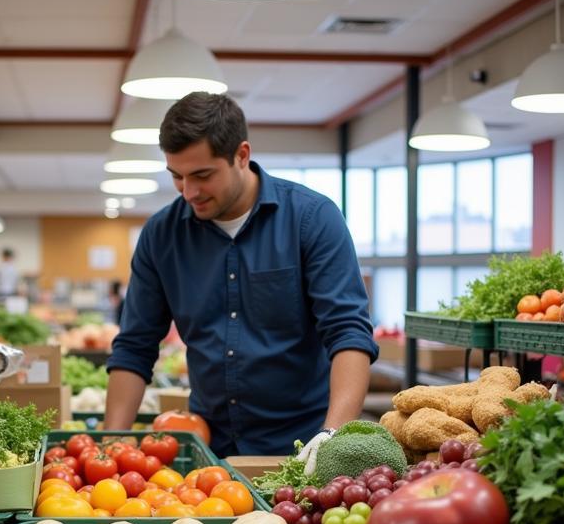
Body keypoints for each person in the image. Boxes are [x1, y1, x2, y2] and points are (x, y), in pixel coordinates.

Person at [104, 92, 377, 458]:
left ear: (242, 155)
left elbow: (348, 332)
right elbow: (135, 345)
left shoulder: (311, 218)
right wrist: (107, 446)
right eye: (177, 177)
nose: (189, 192)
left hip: (303, 444)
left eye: (202, 175)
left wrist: (333, 436)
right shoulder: (161, 235)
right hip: (206, 449)